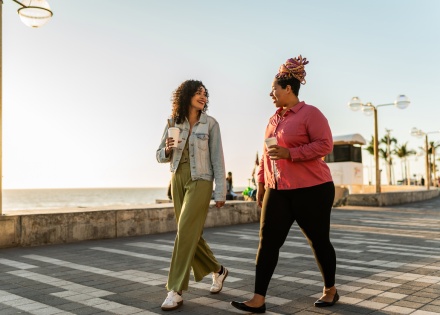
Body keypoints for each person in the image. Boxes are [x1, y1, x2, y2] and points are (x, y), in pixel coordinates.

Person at [231, 55, 338, 313]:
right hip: (277, 191)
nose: (271, 94)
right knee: (267, 242)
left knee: (318, 241)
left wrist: (292, 153)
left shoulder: (311, 114)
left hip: (313, 189)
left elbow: (325, 145)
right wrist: (261, 183)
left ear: (288, 88)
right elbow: (266, 154)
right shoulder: (273, 120)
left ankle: (330, 290)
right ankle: (258, 299)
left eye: (274, 89)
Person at [156, 79, 228, 311]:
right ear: (186, 95)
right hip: (178, 178)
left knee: (185, 231)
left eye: (205, 94)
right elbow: (159, 155)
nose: (203, 97)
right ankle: (218, 271)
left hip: (201, 180)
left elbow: (217, 159)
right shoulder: (173, 123)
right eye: (198, 93)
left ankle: (175, 289)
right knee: (189, 234)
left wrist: (220, 192)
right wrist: (167, 148)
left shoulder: (211, 124)